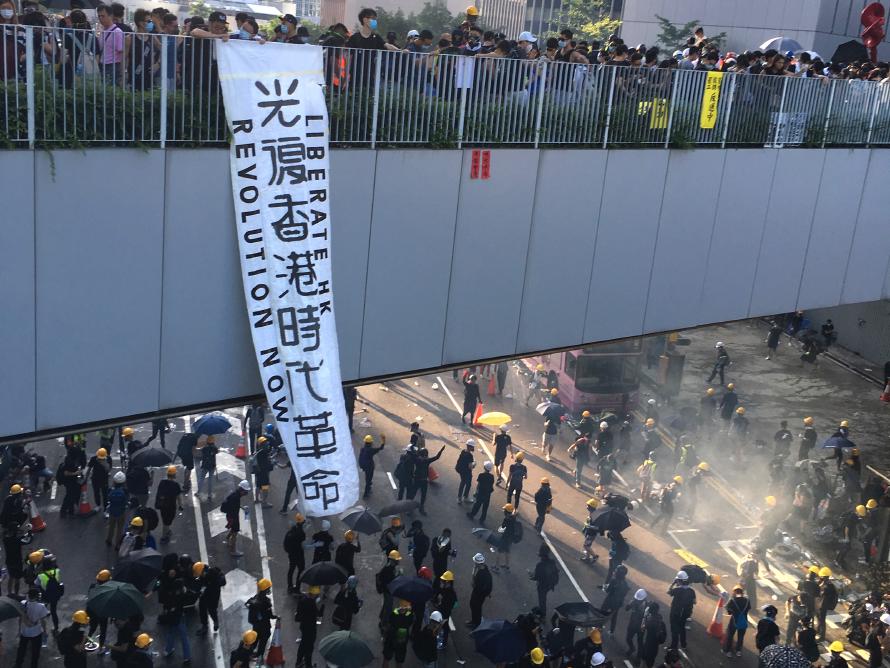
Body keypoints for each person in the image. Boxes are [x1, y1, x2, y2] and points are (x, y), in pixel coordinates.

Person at [158, 570, 191, 664]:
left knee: (171, 633)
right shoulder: (182, 595)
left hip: (172, 618)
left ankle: (169, 649)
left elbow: (167, 605)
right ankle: (187, 656)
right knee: (183, 637)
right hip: (180, 617)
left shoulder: (172, 595)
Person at [13, 588, 48, 668]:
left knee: (21, 650)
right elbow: (43, 621)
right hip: (36, 633)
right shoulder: (41, 607)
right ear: (37, 597)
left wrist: (19, 630)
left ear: (28, 596)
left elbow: (20, 619)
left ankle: (18, 664)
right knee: (35, 652)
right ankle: (33, 665)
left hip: (24, 632)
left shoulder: (23, 604)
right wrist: (45, 632)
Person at [410, 446, 446, 515]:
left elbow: (412, 454)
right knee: (423, 496)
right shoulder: (427, 461)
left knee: (413, 494)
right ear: (426, 455)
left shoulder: (417, 460)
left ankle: (409, 509)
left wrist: (412, 448)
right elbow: (436, 457)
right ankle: (421, 508)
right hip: (424, 481)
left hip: (417, 479)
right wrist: (441, 450)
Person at [246, 578, 275, 661]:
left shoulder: (255, 598)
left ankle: (248, 654)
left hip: (256, 625)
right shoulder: (266, 602)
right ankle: (259, 655)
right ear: (266, 589)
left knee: (255, 640)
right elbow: (270, 615)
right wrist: (276, 617)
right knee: (263, 641)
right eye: (268, 588)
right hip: (264, 626)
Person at [294, 585, 323, 667]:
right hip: (310, 628)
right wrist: (321, 606)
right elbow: (319, 615)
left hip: (303, 626)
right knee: (309, 647)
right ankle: (308, 665)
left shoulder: (302, 600)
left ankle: (298, 662)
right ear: (314, 594)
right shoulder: (312, 603)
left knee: (303, 644)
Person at [194, 561, 225, 635]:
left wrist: (209, 586)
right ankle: (204, 625)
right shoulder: (202, 573)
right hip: (205, 593)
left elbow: (219, 582)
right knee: (202, 608)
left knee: (212, 609)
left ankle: (215, 621)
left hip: (213, 594)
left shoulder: (213, 574)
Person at [221, 480, 250, 557]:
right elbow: (233, 507)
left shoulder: (235, 494)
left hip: (231, 516)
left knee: (234, 529)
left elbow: (234, 505)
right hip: (233, 517)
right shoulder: (236, 497)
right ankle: (233, 550)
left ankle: (227, 538)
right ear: (242, 490)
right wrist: (234, 520)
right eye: (246, 491)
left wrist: (242, 508)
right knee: (235, 533)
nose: (247, 493)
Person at [667, 570, 696, 649]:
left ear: (679, 581)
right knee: (682, 628)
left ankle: (673, 646)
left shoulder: (677, 590)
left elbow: (668, 591)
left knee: (674, 630)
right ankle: (684, 645)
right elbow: (694, 602)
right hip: (685, 614)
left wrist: (673, 584)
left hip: (675, 613)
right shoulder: (691, 591)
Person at [382, 598, 414, 668]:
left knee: (386, 658)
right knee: (399, 661)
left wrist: (385, 635)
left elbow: (390, 623)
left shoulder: (395, 612)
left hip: (391, 637)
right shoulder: (410, 615)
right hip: (402, 638)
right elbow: (410, 623)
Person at [155, 466, 182, 544]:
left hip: (162, 505)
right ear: (174, 475)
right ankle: (164, 537)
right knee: (167, 521)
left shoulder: (162, 482)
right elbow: (179, 497)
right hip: (171, 506)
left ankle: (167, 530)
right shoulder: (176, 485)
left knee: (165, 519)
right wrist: (180, 505)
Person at [600, 564, 630, 635]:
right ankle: (611, 631)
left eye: (617, 570)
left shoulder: (614, 580)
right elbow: (624, 593)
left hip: (610, 600)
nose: (615, 571)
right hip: (618, 602)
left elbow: (608, 590)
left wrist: (604, 588)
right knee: (614, 616)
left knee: (602, 612)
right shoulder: (625, 584)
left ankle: (599, 627)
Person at [36, 555, 63, 632]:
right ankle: (56, 627)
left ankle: (40, 627)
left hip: (45, 596)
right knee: (54, 612)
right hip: (55, 596)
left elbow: (37, 584)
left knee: (41, 610)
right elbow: (56, 567)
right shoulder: (57, 571)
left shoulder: (41, 576)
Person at [530, 544, 559, 615]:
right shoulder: (552, 561)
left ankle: (542, 614)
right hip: (550, 584)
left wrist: (531, 575)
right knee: (544, 597)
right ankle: (542, 611)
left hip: (542, 585)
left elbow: (536, 577)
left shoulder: (540, 565)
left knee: (542, 599)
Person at [723, 585, 750, 657]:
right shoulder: (747, 600)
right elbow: (748, 609)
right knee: (740, 636)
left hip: (734, 620)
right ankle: (738, 651)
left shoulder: (733, 600)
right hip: (743, 620)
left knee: (730, 635)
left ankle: (728, 651)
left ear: (735, 592)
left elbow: (728, 610)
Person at [467, 553, 492, 629]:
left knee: (476, 607)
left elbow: (475, 584)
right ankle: (474, 621)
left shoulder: (482, 574)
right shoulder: (484, 570)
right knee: (474, 606)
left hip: (479, 594)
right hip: (481, 593)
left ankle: (476, 623)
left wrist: (473, 574)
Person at [376, 551, 402, 626]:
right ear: (393, 560)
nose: (399, 561)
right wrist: (398, 576)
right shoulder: (388, 570)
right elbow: (390, 582)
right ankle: (383, 623)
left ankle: (382, 617)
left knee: (386, 605)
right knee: (388, 608)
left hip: (386, 590)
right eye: (397, 560)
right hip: (388, 591)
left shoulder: (389, 567)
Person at [639, 601, 666, 668]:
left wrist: (644, 616)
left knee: (643, 662)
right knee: (650, 664)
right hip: (655, 648)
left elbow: (642, 628)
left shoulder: (650, 621)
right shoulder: (661, 621)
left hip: (647, 646)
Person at [284, 514, 307, 593]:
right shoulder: (301, 533)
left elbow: (285, 544)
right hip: (299, 554)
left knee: (291, 569)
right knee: (301, 570)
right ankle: (297, 587)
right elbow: (303, 542)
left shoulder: (291, 531)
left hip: (291, 554)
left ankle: (290, 586)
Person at [433, 571, 457, 645]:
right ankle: (441, 637)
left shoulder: (451, 594)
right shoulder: (443, 589)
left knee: (445, 627)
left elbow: (454, 604)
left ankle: (444, 642)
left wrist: (441, 604)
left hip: (445, 612)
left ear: (447, 582)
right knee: (441, 625)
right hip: (441, 611)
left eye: (442, 581)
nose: (441, 582)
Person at [106, 471, 129, 548]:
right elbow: (126, 501)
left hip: (112, 512)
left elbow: (108, 499)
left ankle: (109, 539)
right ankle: (117, 544)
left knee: (111, 526)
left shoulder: (110, 490)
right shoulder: (125, 491)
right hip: (121, 512)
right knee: (120, 528)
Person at [625, 589, 648, 660]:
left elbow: (626, 608)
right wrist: (631, 603)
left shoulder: (647, 605)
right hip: (636, 625)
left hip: (639, 626)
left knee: (639, 642)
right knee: (629, 639)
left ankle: (638, 657)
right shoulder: (635, 602)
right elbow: (626, 608)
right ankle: (632, 649)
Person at [196, 435, 218, 500]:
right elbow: (216, 451)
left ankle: (198, 492)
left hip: (205, 465)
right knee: (210, 480)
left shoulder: (204, 448)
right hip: (212, 466)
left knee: (201, 479)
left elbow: (201, 452)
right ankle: (209, 494)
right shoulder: (214, 448)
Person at [581, 498, 601, 563]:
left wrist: (589, 526)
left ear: (591, 507)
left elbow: (598, 527)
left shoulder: (595, 515)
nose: (587, 507)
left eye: (588, 505)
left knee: (586, 546)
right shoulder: (592, 513)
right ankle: (587, 558)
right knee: (588, 546)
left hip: (591, 534)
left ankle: (594, 556)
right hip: (589, 532)